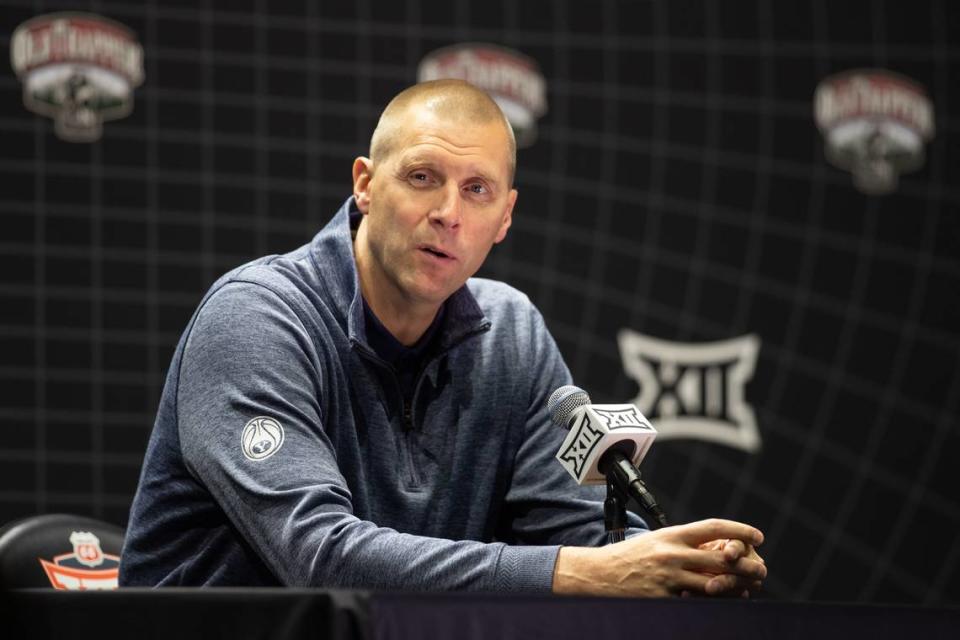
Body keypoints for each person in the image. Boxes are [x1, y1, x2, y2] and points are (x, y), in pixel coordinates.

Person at [120, 79, 766, 597]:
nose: (448, 214)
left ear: (505, 216)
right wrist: (584, 573)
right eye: (423, 177)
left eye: (476, 191)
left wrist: (674, 567)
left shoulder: (511, 331)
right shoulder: (260, 318)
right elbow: (317, 557)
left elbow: (570, 532)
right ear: (366, 185)